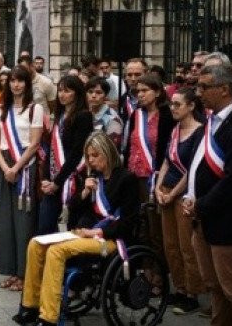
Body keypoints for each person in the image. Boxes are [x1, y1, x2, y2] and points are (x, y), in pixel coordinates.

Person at [13, 131, 139, 326]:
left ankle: (48, 316)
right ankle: (30, 306)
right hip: (85, 234)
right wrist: (85, 191)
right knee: (35, 243)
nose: (91, 160)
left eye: (96, 155)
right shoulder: (94, 178)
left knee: (56, 251)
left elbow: (128, 223)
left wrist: (97, 232)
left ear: (108, 153)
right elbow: (73, 207)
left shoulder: (126, 179)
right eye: (88, 156)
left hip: (111, 242)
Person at [183, 64, 232, 326]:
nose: (198, 92)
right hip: (205, 219)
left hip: (230, 222)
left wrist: (201, 205)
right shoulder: (212, 120)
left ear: (225, 89)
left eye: (204, 87)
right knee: (215, 287)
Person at [0, 66, 43, 293]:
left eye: (20, 81)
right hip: (5, 165)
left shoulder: (35, 109)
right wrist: (5, 168)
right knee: (6, 221)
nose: (16, 85)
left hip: (26, 167)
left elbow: (34, 144)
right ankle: (11, 270)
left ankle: (25, 273)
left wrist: (16, 168)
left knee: (24, 222)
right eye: (12, 81)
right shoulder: (1, 109)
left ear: (27, 83)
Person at [154, 87, 205, 315]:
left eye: (178, 104)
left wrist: (172, 194)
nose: (173, 108)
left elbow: (191, 170)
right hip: (165, 189)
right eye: (172, 104)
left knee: (186, 245)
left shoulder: (199, 132)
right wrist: (157, 188)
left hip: (182, 193)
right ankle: (180, 287)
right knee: (170, 244)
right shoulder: (175, 130)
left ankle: (192, 293)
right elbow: (166, 161)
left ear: (192, 106)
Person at [123, 74, 175, 258]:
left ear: (158, 92)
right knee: (138, 225)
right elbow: (129, 145)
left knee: (154, 227)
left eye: (145, 91)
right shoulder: (136, 114)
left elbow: (168, 149)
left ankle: (158, 273)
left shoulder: (167, 115)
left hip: (154, 178)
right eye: (138, 91)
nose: (141, 95)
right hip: (134, 176)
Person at [39, 75, 93, 234]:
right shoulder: (59, 116)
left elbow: (77, 152)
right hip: (54, 178)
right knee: (45, 225)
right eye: (60, 90)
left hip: (72, 177)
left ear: (77, 93)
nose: (62, 95)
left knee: (73, 226)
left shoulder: (83, 116)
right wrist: (46, 179)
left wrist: (57, 181)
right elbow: (51, 149)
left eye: (67, 91)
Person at [85, 76, 123, 148]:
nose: (93, 95)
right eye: (90, 92)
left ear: (105, 96)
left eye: (99, 92)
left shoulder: (113, 119)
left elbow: (112, 149)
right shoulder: (85, 114)